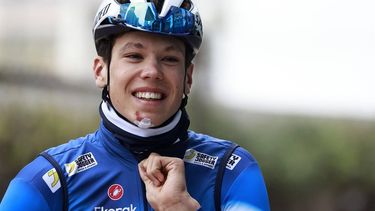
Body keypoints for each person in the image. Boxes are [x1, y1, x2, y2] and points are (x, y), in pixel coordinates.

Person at [0, 0, 270, 210]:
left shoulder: (232, 171)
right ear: (100, 71)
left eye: (169, 59)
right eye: (134, 55)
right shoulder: (46, 180)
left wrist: (178, 209)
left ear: (188, 78)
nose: (152, 71)